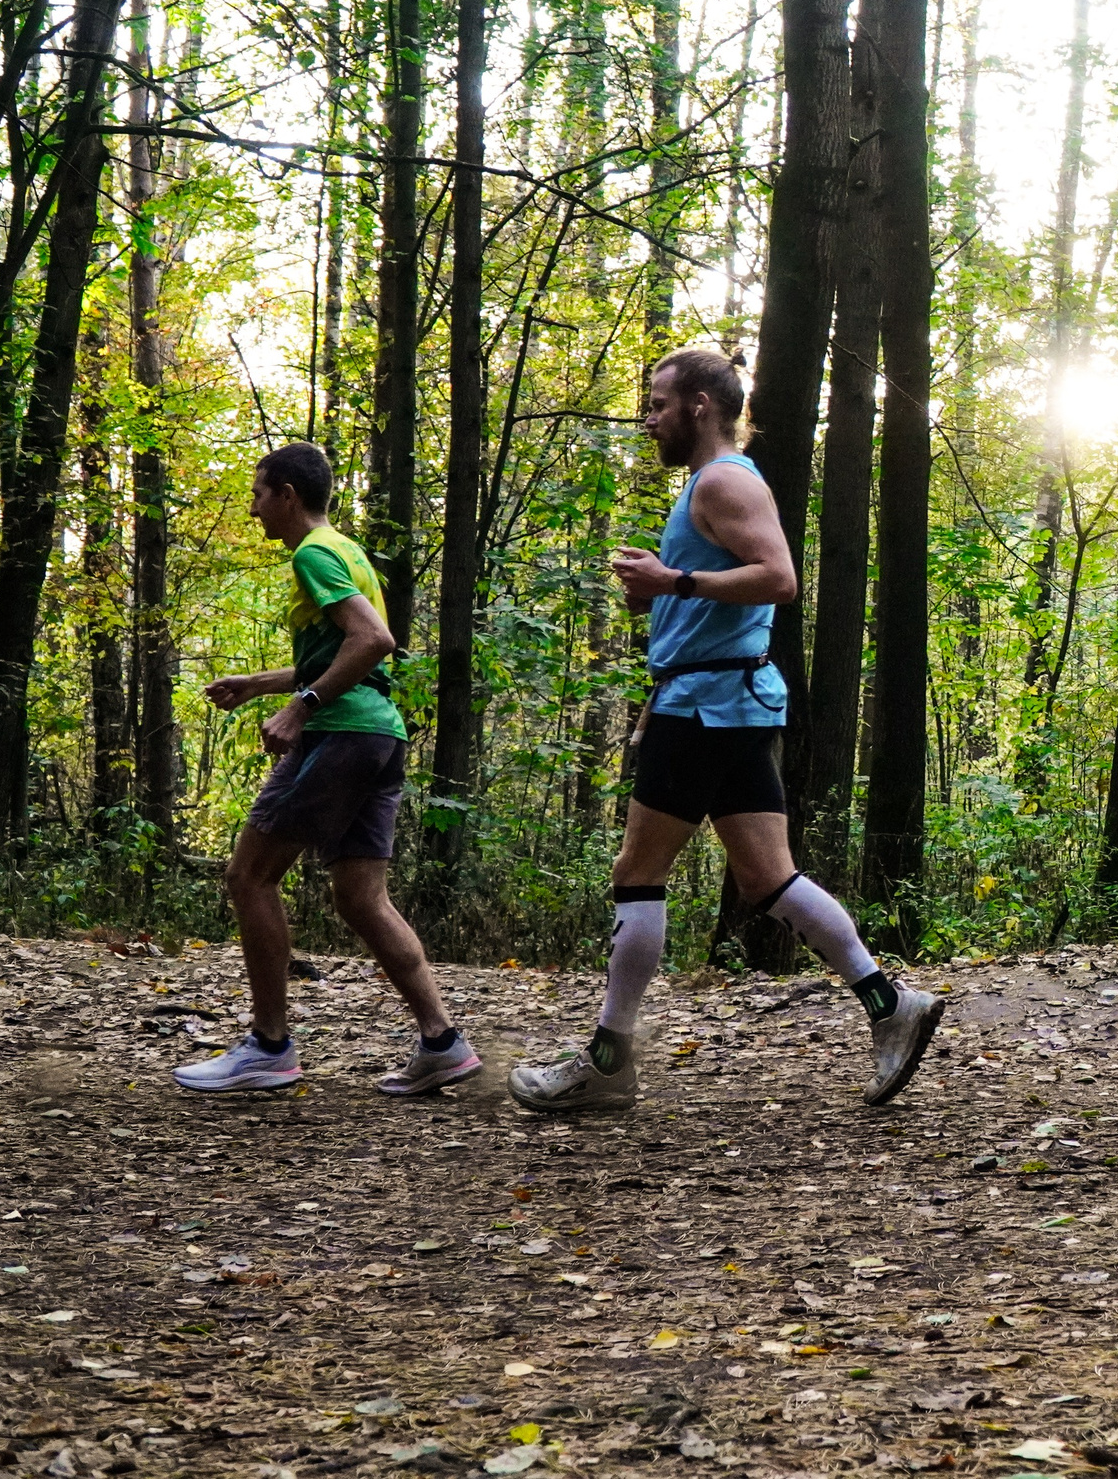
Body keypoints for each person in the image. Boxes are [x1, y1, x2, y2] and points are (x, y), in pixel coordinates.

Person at [508, 347, 944, 1113]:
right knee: (769, 878)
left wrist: (674, 581)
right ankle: (891, 1004)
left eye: (656, 404)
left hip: (707, 707)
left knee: (637, 873)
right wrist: (670, 599)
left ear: (700, 405)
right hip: (727, 699)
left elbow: (778, 577)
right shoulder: (720, 485)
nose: (649, 420)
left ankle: (608, 1061)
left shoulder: (721, 480)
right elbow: (734, 591)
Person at [178, 442, 481, 1096]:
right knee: (359, 896)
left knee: (250, 876)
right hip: (380, 734)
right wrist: (262, 684)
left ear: (287, 493)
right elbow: (352, 653)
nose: (254, 507)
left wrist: (300, 708)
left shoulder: (313, 553)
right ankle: (442, 1041)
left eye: (259, 493)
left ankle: (269, 1045)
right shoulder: (347, 551)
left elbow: (374, 641)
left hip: (341, 733)